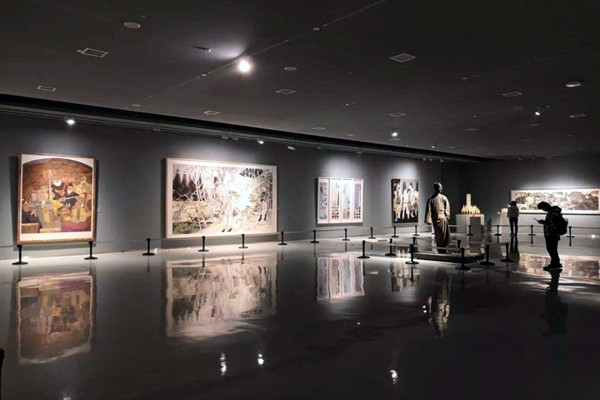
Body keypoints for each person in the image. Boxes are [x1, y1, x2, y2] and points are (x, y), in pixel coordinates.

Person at [536, 201, 564, 269]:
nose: (543, 210)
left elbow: (551, 224)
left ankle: (555, 263)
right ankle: (555, 263)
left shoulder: (552, 213)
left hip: (551, 233)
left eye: (543, 209)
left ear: (546, 206)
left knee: (551, 249)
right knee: (553, 249)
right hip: (554, 233)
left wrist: (543, 222)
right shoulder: (555, 212)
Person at [425, 182, 451, 253]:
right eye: (440, 187)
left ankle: (444, 248)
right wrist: (429, 219)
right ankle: (439, 248)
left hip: (443, 219)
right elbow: (428, 210)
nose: (441, 188)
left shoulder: (443, 198)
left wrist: (446, 215)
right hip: (436, 219)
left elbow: (447, 207)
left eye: (441, 187)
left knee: (444, 234)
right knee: (438, 235)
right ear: (436, 188)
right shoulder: (430, 199)